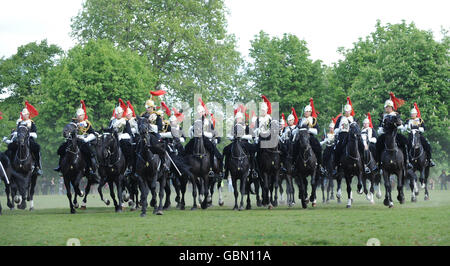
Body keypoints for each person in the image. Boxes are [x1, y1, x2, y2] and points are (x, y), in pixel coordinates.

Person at [54, 100, 98, 178]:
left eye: (81, 115)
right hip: (74, 140)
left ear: (83, 115)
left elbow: (93, 133)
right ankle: (60, 167)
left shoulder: (87, 123)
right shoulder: (73, 123)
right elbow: (68, 130)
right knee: (62, 149)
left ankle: (91, 168)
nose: (79, 117)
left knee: (90, 152)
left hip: (83, 141)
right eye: (78, 115)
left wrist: (86, 139)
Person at [184, 97, 223, 178]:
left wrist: (205, 134)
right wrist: (191, 130)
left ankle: (214, 169)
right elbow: (190, 133)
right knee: (186, 148)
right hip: (196, 139)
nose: (199, 113)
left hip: (205, 139)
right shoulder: (195, 121)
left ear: (203, 112)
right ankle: (186, 169)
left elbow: (213, 133)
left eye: (200, 112)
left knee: (215, 152)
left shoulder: (208, 122)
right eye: (198, 112)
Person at [376, 92, 413, 170]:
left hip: (395, 134)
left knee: (405, 143)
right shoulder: (383, 116)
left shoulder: (396, 115)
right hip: (386, 134)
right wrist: (381, 129)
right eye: (386, 107)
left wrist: (399, 125)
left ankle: (407, 161)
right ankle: (378, 163)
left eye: (389, 107)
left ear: (392, 107)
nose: (387, 109)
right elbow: (380, 127)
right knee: (378, 144)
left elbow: (401, 124)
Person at [4, 101, 42, 175]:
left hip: (28, 139)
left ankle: (37, 167)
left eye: (25, 114)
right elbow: (17, 132)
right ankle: (9, 166)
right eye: (23, 114)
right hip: (19, 139)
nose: (24, 116)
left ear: (28, 115)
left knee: (37, 148)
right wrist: (14, 135)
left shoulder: (31, 123)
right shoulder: (19, 123)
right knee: (10, 148)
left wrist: (28, 134)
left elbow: (35, 134)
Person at [296, 98, 325, 174]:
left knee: (318, 148)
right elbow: (295, 130)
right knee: (294, 147)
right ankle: (293, 165)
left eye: (308, 111)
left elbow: (316, 131)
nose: (307, 113)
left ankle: (319, 165)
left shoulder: (313, 120)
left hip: (310, 137)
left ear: (311, 112)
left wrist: (308, 129)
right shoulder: (300, 120)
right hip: (301, 138)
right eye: (306, 111)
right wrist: (298, 129)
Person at [403, 103, 435, 167]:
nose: (412, 115)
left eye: (413, 114)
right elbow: (404, 128)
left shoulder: (420, 120)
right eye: (411, 114)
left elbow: (424, 129)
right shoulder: (408, 120)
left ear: (416, 114)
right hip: (411, 135)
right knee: (405, 146)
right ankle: (406, 161)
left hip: (418, 135)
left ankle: (430, 160)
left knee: (427, 144)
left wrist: (418, 128)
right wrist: (407, 127)